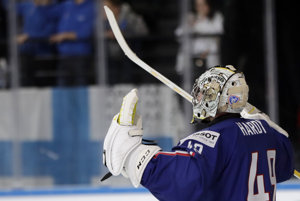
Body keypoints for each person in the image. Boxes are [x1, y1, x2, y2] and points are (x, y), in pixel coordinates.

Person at [102, 65, 294, 201]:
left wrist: (133, 156)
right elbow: (285, 167)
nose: (198, 97)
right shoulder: (267, 134)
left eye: (204, 92)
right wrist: (269, 126)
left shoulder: (215, 139)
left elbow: (183, 183)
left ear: (217, 97)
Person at [49, 0, 95, 86]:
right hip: (63, 56)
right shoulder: (67, 4)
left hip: (81, 57)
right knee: (62, 88)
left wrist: (65, 36)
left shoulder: (92, 7)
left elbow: (87, 32)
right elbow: (49, 14)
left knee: (81, 87)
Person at [103, 0, 149, 84]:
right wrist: (106, 34)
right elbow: (93, 32)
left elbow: (143, 31)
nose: (103, 10)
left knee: (127, 69)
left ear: (116, 7)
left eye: (107, 7)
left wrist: (123, 34)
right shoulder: (102, 20)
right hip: (110, 54)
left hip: (128, 52)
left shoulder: (130, 16)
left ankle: (128, 84)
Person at [175, 0, 223, 80]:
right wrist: (190, 25)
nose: (201, 8)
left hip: (210, 55)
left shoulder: (216, 16)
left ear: (209, 5)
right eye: (198, 5)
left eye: (203, 5)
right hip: (192, 56)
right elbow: (178, 34)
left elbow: (218, 33)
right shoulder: (190, 17)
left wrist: (202, 22)